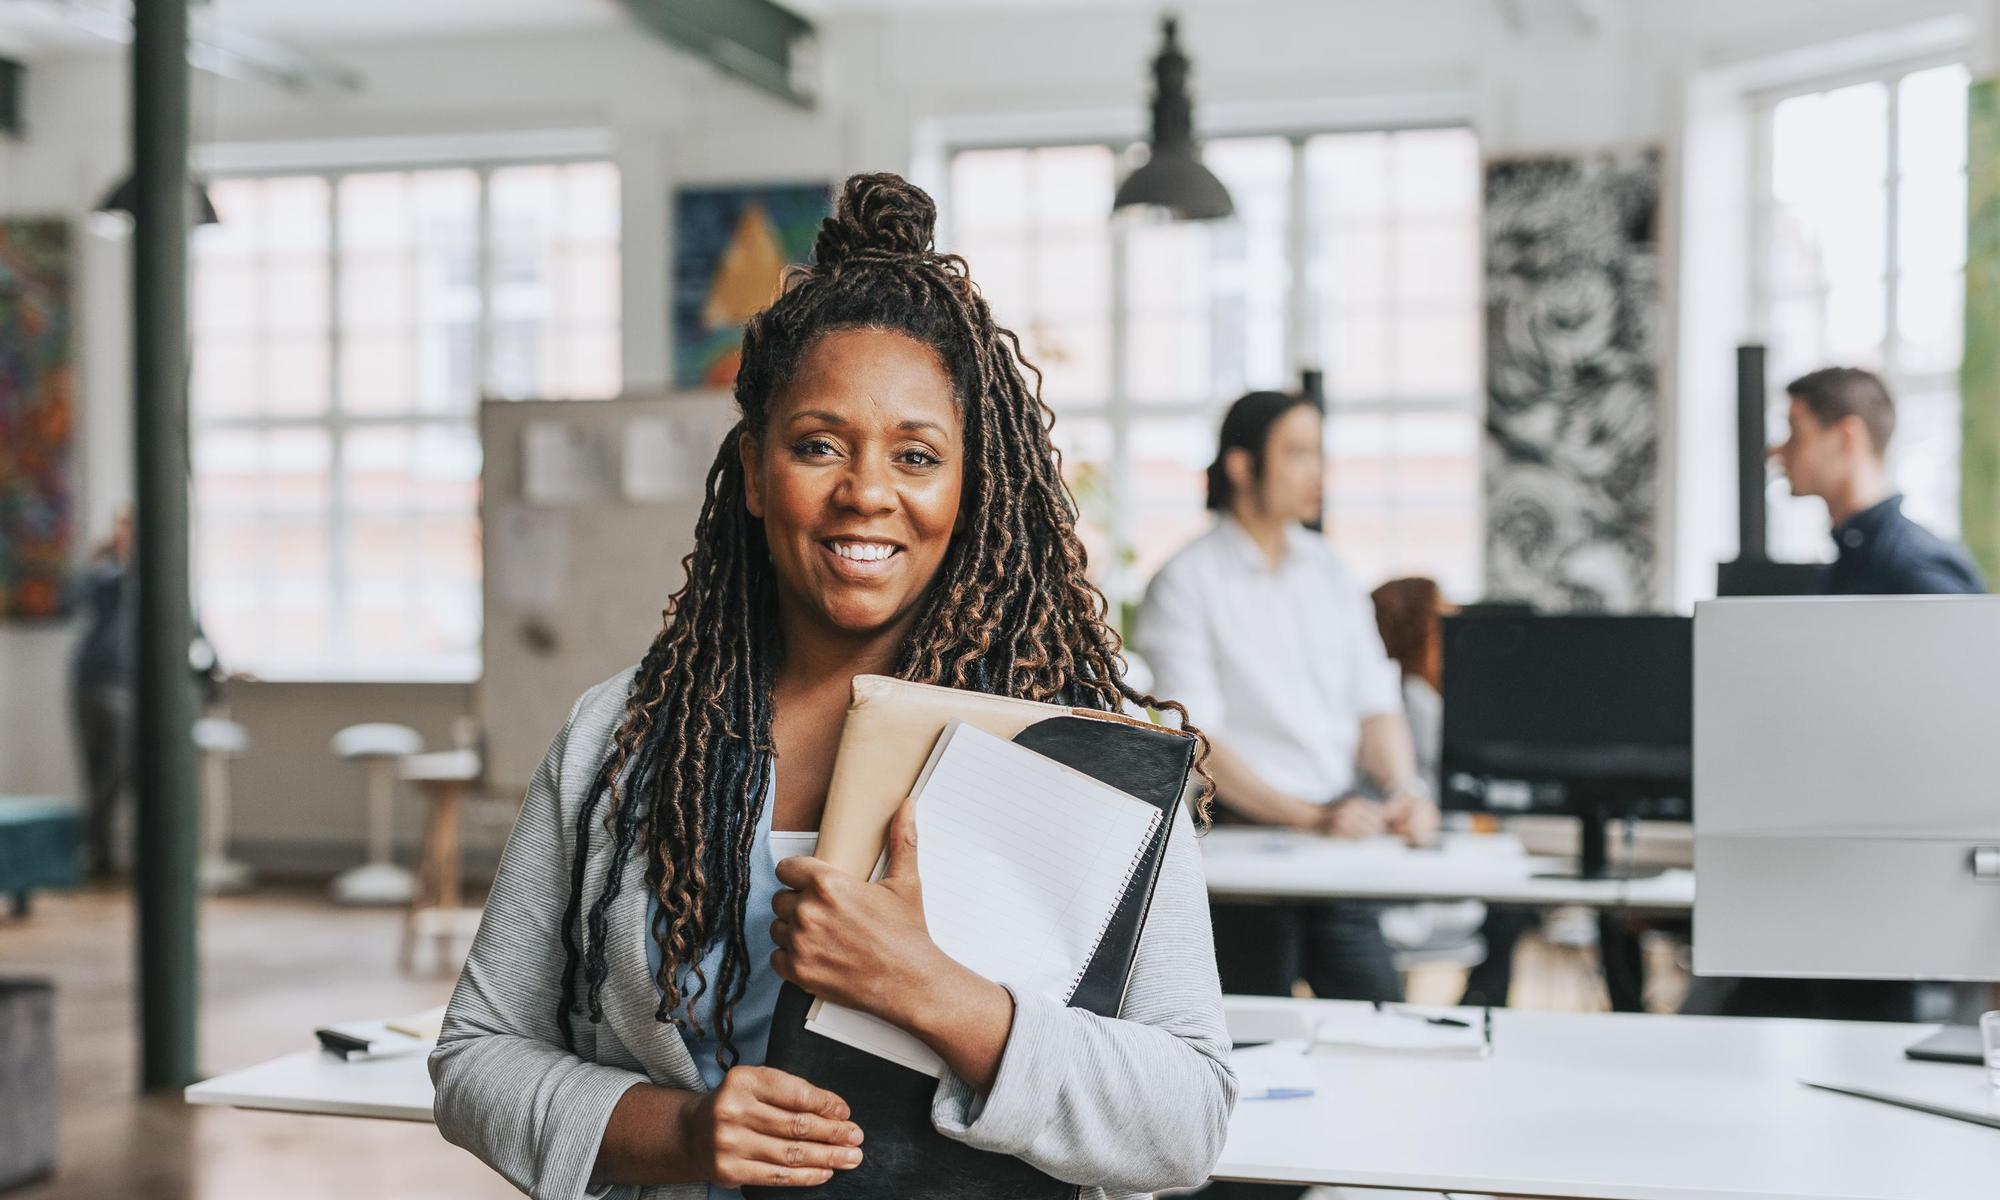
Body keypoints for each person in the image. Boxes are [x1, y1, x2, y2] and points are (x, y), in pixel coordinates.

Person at [430, 174, 1235, 1200]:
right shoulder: (622, 737)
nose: (866, 492)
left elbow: (1186, 1120)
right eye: (818, 445)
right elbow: (475, 1059)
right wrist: (680, 1134)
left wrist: (939, 996)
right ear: (756, 472)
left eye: (915, 455)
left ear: (968, 485)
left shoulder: (1079, 756)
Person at [1133, 390, 1438, 1008]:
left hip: (1336, 838)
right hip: (1242, 849)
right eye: (1297, 453)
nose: (1317, 472)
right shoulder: (1186, 581)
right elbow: (1197, 741)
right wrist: (1309, 816)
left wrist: (1407, 792)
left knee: (1379, 1019)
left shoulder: (1330, 571)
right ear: (1243, 466)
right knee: (1250, 1036)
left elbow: (1375, 703)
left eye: (1319, 454)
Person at [1769, 366, 1984, 596]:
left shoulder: (1913, 568)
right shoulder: (1852, 561)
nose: (1776, 451)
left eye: (1795, 432)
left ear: (1845, 438)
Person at [68, 508, 134, 878]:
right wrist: (110, 558)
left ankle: (102, 855)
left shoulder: (160, 573)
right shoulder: (103, 574)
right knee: (99, 776)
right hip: (94, 683)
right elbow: (74, 600)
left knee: (119, 774)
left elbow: (191, 622)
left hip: (131, 687)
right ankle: (96, 856)